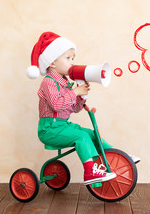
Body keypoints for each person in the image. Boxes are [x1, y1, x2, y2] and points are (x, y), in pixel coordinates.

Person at [26, 31, 118, 185]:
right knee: (81, 137)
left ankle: (116, 157)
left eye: (73, 58)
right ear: (52, 63)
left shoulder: (65, 83)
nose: (72, 63)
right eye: (68, 58)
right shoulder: (48, 82)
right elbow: (57, 104)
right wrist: (75, 92)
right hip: (49, 129)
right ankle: (90, 172)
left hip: (63, 126)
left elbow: (74, 109)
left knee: (91, 134)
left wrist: (82, 96)